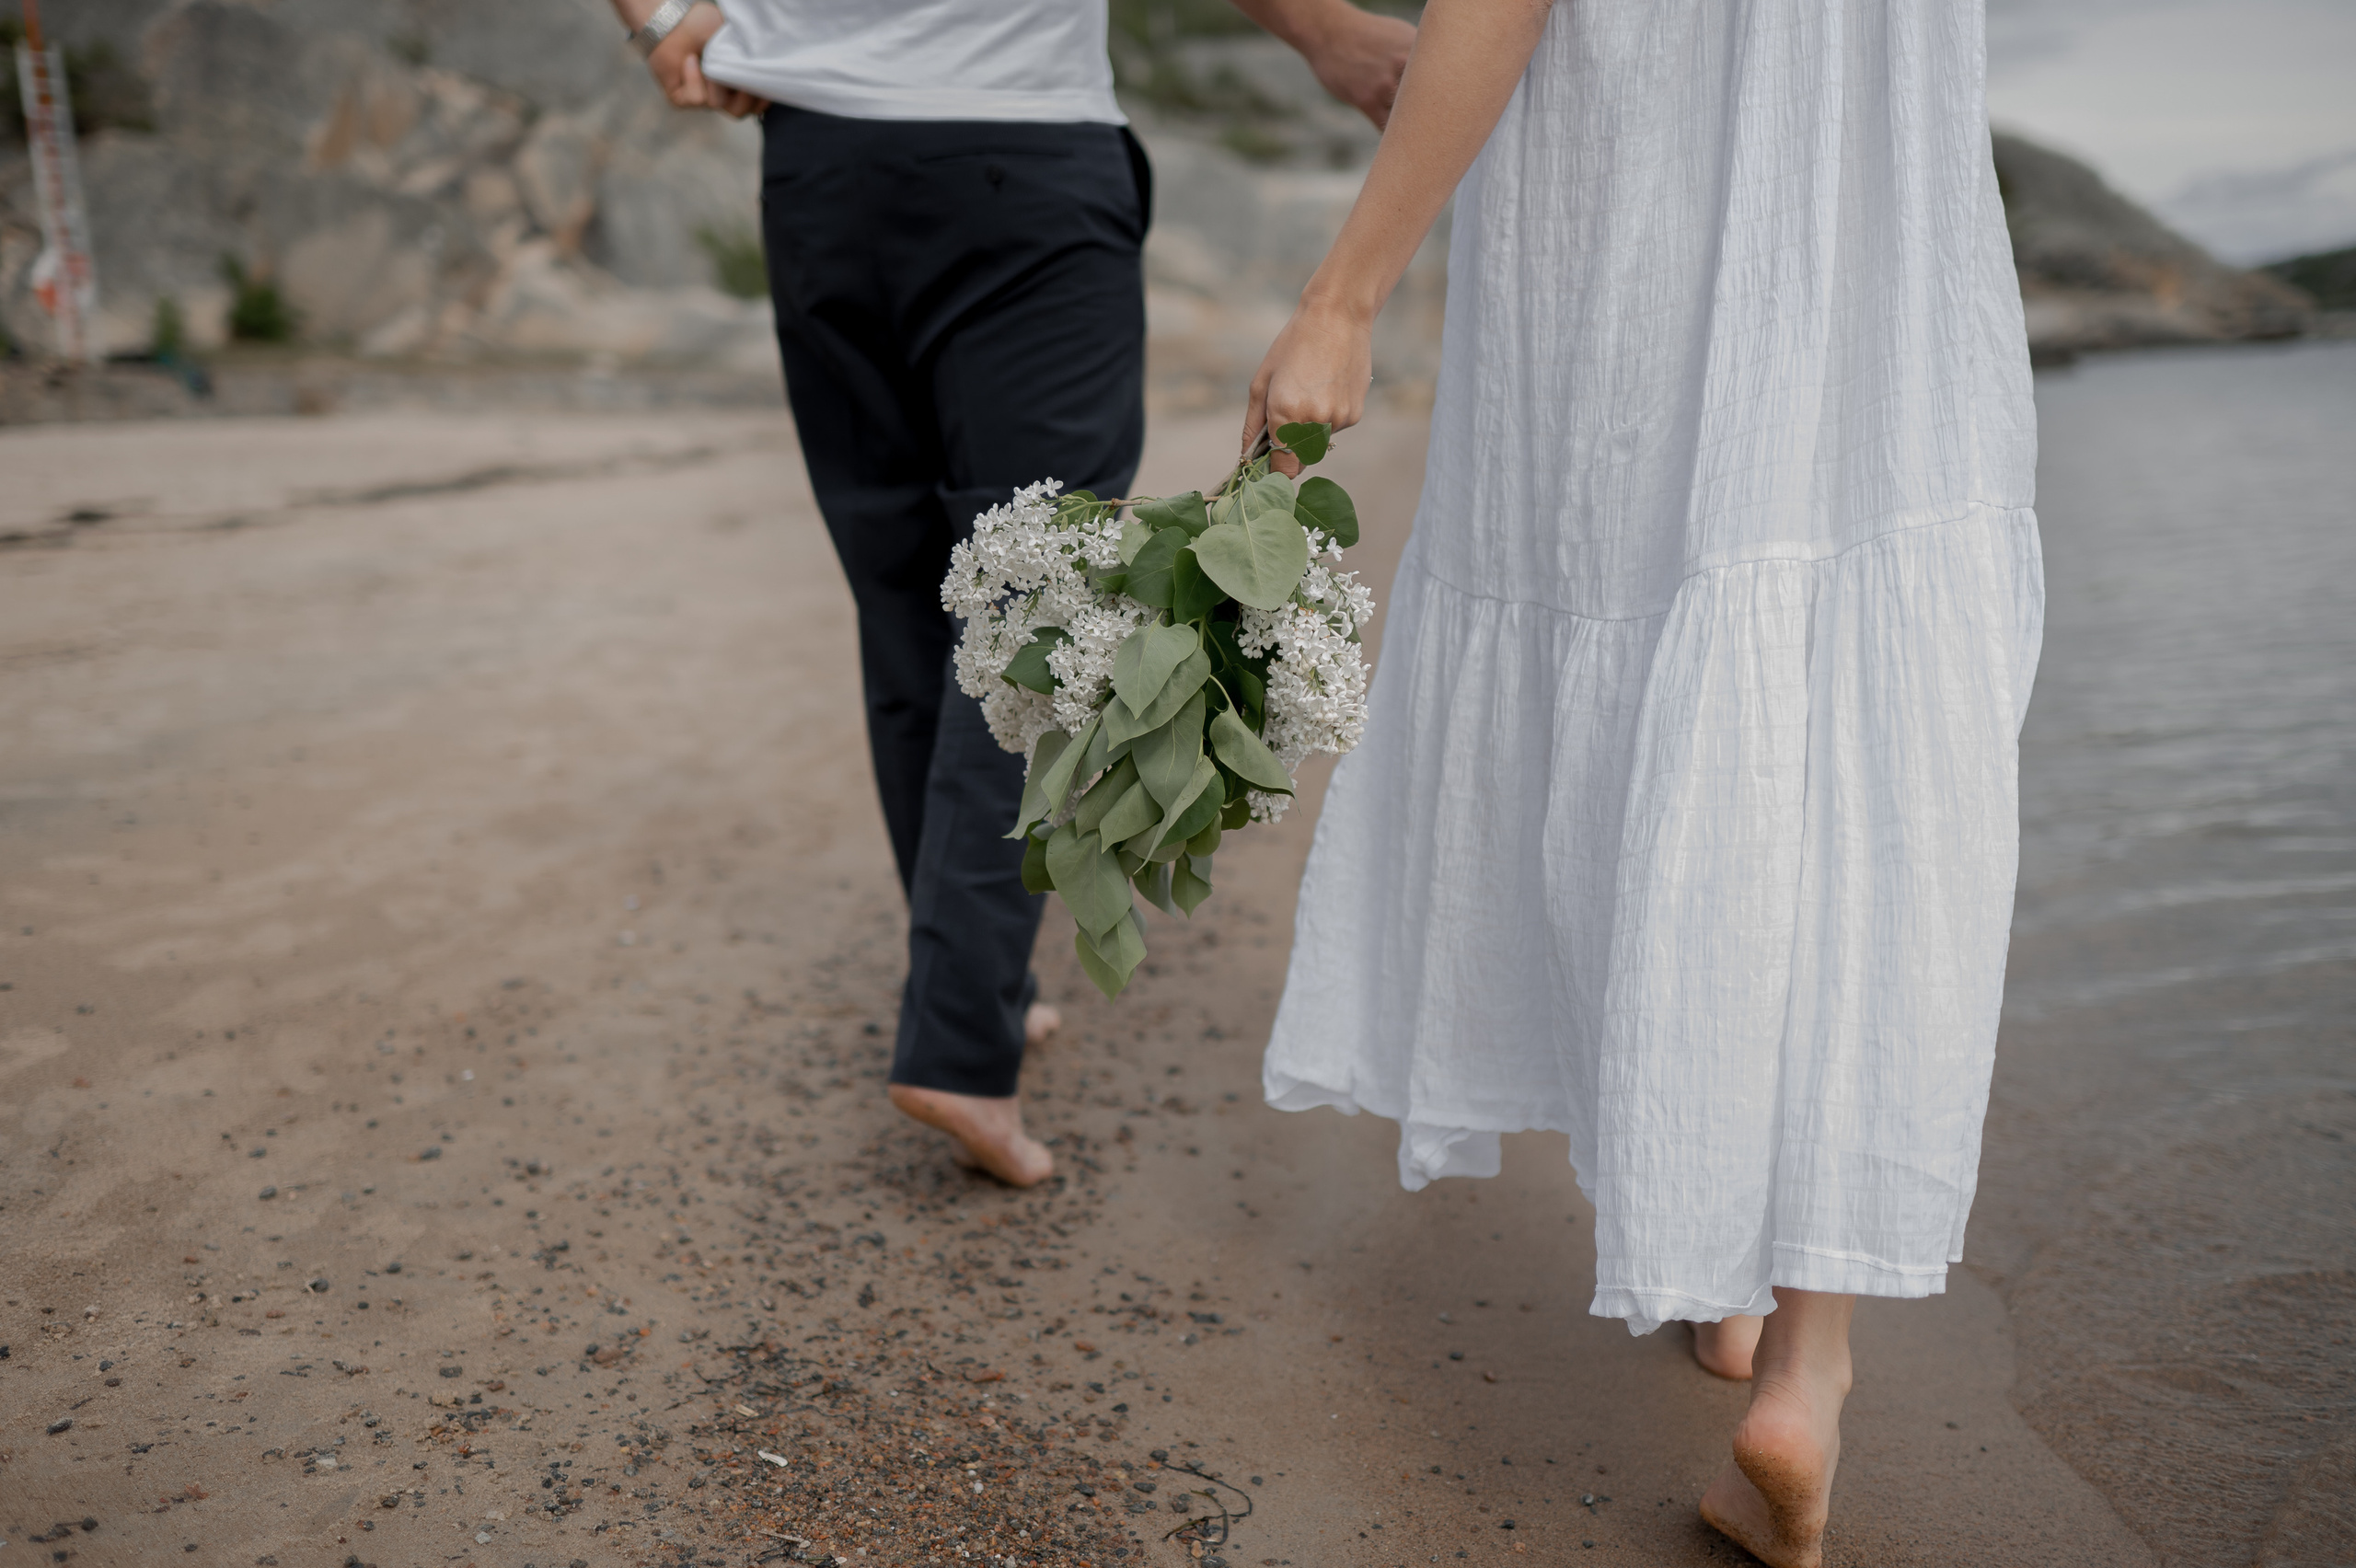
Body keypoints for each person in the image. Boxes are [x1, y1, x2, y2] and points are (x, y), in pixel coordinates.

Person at [1242, 0, 2042, 1562]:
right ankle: (1798, 1363)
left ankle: (1714, 1243)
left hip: (1629, 229)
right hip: (1883, 244)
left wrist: (1346, 293)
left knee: (1672, 699)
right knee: (1845, 744)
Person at [605, 0, 1415, 1186]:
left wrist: (664, 16)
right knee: (1038, 609)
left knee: (906, 603)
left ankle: (973, 984)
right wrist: (1319, 28)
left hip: (823, 162)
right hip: (1018, 151)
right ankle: (962, 1042)